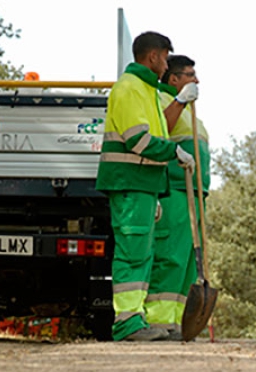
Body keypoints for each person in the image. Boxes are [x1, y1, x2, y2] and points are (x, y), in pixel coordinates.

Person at [95, 32, 195, 342]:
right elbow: (138, 140)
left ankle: (135, 319)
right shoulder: (129, 88)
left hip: (143, 185)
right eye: (165, 58)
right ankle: (126, 322)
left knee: (142, 252)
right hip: (130, 183)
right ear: (153, 57)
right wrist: (173, 151)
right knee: (132, 253)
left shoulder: (145, 90)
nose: (166, 65)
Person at [144, 55, 206, 340]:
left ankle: (177, 321)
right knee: (170, 256)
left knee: (188, 261)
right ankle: (158, 320)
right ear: (174, 79)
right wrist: (180, 101)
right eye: (190, 75)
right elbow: (158, 130)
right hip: (174, 189)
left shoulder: (191, 113)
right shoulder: (160, 100)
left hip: (194, 193)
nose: (197, 81)